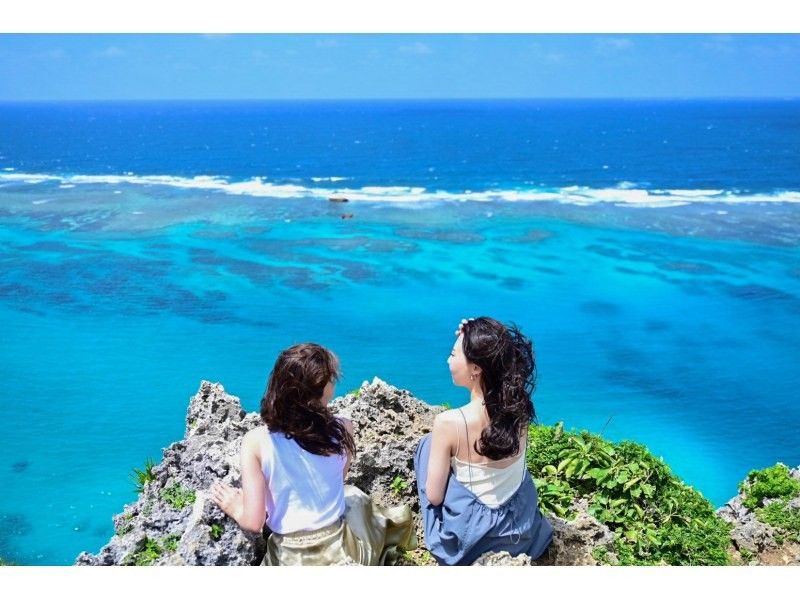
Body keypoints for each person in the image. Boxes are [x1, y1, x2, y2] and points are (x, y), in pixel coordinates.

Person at [211, 342, 416, 565]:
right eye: (331, 380)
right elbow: (338, 480)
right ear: (322, 390)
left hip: (290, 557)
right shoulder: (344, 428)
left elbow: (254, 522)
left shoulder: (256, 441)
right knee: (357, 498)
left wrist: (236, 507)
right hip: (340, 550)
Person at [414, 317, 553, 565]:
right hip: (519, 532)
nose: (448, 360)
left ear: (476, 368)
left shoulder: (449, 423)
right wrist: (479, 336)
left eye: (453, 353)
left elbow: (434, 497)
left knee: (427, 445)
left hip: (470, 542)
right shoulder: (519, 409)